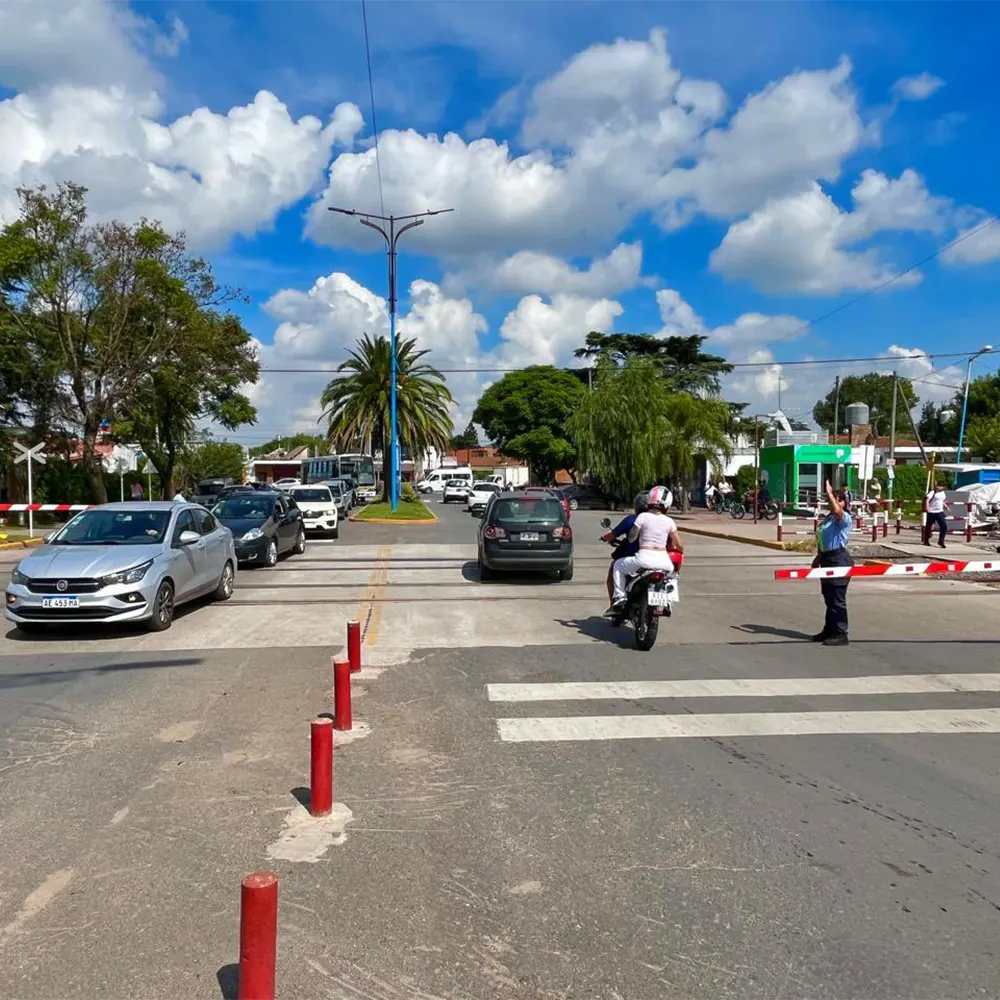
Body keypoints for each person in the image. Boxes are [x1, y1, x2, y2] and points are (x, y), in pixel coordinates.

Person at [608, 485, 683, 614]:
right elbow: (679, 545)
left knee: (618, 566)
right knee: (672, 576)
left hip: (643, 560)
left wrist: (633, 537)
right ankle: (668, 602)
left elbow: (632, 537)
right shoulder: (670, 521)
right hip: (665, 563)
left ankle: (620, 597)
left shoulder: (642, 517)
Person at [811, 479, 853, 646]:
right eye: (834, 498)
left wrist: (829, 493)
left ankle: (841, 633)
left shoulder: (844, 518)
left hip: (839, 560)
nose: (836, 501)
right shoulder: (828, 518)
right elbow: (823, 539)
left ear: (844, 502)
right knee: (828, 598)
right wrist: (818, 558)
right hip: (827, 559)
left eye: (839, 499)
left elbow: (837, 510)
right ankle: (829, 629)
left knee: (837, 599)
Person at [600, 492, 646, 603]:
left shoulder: (632, 520)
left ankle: (617, 601)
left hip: (634, 559)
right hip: (656, 559)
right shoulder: (659, 521)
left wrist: (605, 538)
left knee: (614, 568)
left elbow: (613, 534)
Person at [923, 481, 950, 548]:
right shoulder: (933, 492)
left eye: (941, 486)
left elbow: (941, 500)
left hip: (939, 512)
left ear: (943, 487)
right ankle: (926, 540)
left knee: (944, 526)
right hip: (931, 512)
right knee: (929, 526)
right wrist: (927, 507)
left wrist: (946, 506)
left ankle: (941, 541)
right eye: (938, 485)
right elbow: (927, 500)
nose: (938, 487)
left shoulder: (943, 493)